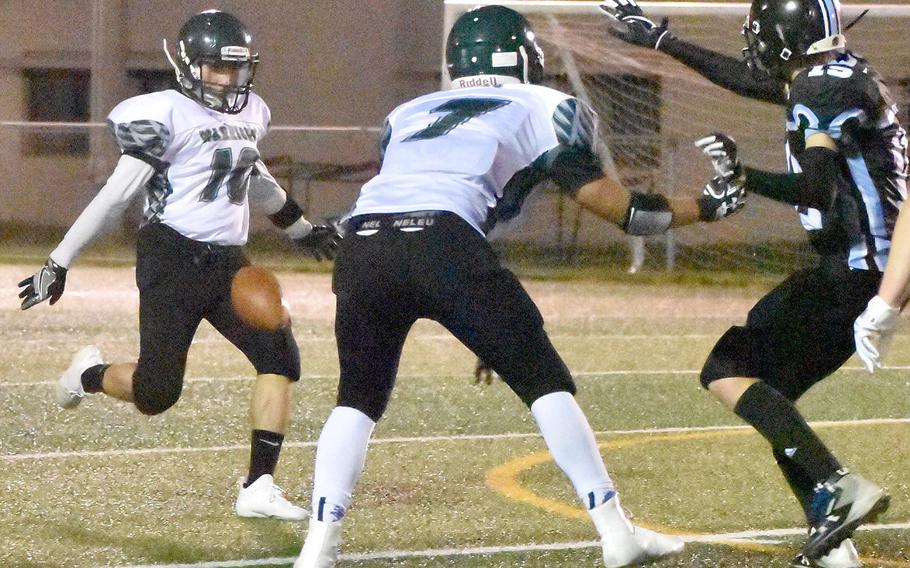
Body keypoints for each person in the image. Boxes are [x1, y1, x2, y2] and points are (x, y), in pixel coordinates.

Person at [292, 6, 747, 568]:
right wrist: (707, 206)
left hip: (364, 244)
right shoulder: (546, 104)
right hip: (443, 241)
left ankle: (318, 548)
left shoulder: (406, 112)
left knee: (357, 397)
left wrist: (479, 317)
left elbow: (415, 196)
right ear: (522, 56)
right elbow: (623, 211)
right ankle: (615, 531)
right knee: (545, 382)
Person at [601, 0, 906, 565]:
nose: (754, 46)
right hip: (863, 266)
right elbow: (745, 81)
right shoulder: (836, 75)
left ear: (783, 37)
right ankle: (835, 545)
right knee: (773, 401)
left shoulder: (819, 90)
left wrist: (748, 178)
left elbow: (815, 189)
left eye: (761, 34)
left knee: (727, 369)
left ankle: (842, 489)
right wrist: (664, 42)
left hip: (854, 270)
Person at [17, 10, 340, 521]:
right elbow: (114, 197)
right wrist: (60, 260)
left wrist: (302, 229)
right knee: (157, 393)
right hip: (172, 257)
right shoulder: (165, 114)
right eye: (216, 69)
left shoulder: (252, 111)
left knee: (280, 356)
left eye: (236, 69)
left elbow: (253, 178)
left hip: (229, 263)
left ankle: (258, 485)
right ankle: (90, 374)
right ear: (189, 68)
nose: (228, 80)